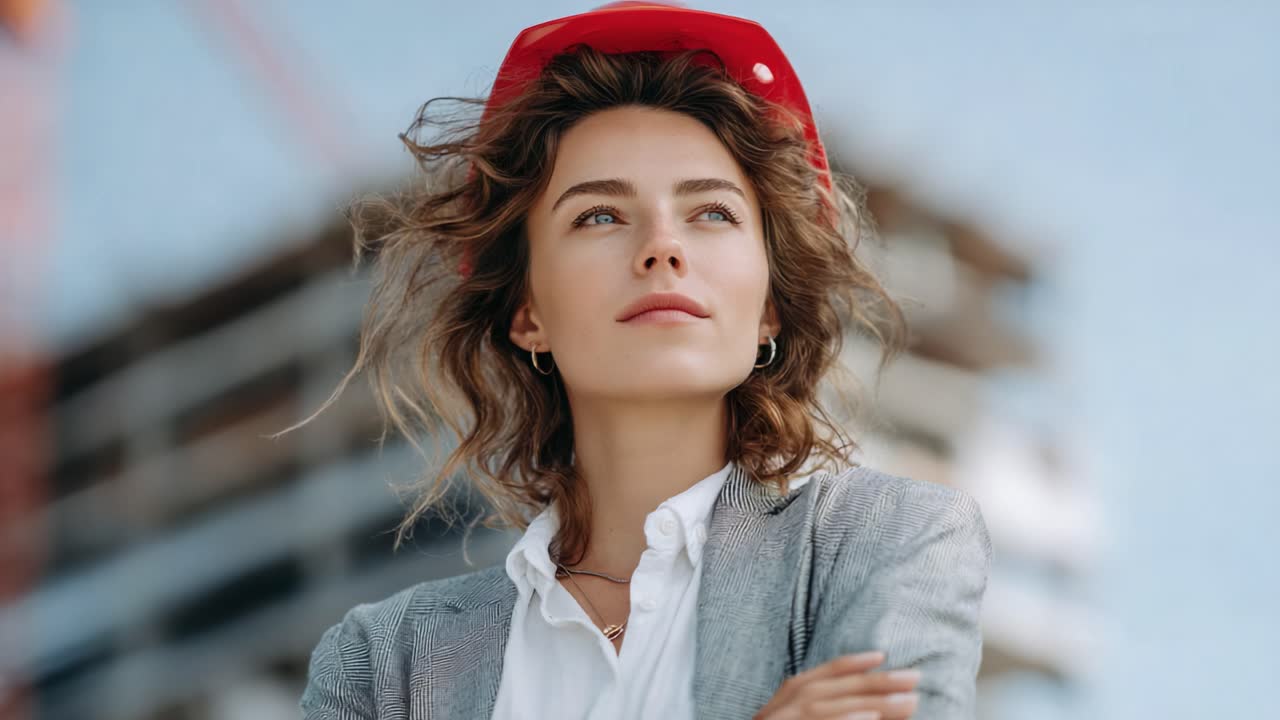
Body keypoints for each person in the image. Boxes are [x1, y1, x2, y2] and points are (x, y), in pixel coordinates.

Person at [297, 3, 991, 718]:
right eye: (599, 215)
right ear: (527, 313)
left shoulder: (887, 541)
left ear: (768, 309)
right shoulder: (383, 665)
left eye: (713, 213)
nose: (663, 248)